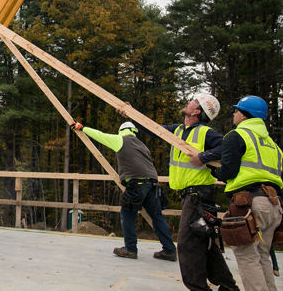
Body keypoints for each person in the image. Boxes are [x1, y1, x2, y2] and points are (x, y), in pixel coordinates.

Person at [118, 94, 239, 291]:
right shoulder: (179, 130)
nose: (188, 102)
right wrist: (131, 115)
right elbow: (154, 130)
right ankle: (229, 287)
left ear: (197, 111)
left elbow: (228, 147)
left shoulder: (206, 133)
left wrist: (203, 156)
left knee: (187, 245)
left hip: (198, 195)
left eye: (193, 100)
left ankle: (199, 288)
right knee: (204, 242)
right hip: (193, 196)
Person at [71, 120, 177, 261]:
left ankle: (130, 249)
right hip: (153, 184)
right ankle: (169, 250)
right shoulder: (142, 145)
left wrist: (82, 128)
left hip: (137, 184)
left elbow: (100, 136)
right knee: (157, 217)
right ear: (134, 131)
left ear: (121, 130)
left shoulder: (121, 140)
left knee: (127, 215)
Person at [212, 96, 282, 291]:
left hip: (250, 204)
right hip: (273, 204)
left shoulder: (237, 136)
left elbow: (228, 172)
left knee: (247, 255)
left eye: (236, 111)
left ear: (244, 115)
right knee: (261, 255)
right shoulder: (273, 146)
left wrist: (214, 171)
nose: (234, 114)